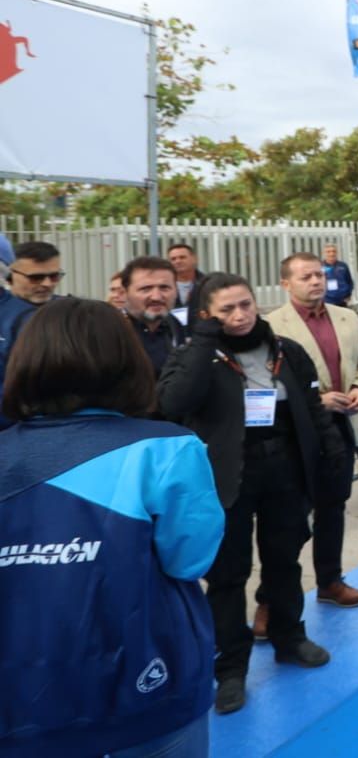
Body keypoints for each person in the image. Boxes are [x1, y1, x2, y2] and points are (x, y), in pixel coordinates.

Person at [0, 297, 222, 758]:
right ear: (127, 362)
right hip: (147, 683)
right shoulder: (167, 449)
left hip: (22, 694)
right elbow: (191, 559)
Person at [158, 273, 344, 715]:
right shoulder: (195, 356)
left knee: (284, 561)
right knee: (227, 575)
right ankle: (230, 666)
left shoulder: (286, 350)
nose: (240, 316)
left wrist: (331, 458)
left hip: (283, 471)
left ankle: (288, 636)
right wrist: (205, 339)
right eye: (226, 309)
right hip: (227, 477)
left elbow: (313, 408)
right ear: (206, 314)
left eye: (245, 304)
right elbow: (172, 402)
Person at [262, 252, 358, 623]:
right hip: (296, 433)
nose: (315, 282)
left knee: (333, 508)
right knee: (288, 518)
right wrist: (314, 399)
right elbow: (264, 380)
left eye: (318, 275)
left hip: (342, 427)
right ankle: (270, 597)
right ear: (286, 283)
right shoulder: (270, 326)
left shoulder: (345, 318)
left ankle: (330, 581)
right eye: (305, 277)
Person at [0, 240, 64, 414]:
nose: (47, 284)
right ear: (10, 275)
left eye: (55, 276)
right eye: (36, 277)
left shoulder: (71, 314)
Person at [122, 256, 189, 377]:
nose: (156, 297)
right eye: (146, 289)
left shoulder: (174, 325)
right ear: (125, 293)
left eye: (164, 288)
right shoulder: (110, 329)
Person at [165, 242, 206, 321]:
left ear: (195, 259)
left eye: (182, 257)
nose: (178, 261)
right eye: (173, 259)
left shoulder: (207, 283)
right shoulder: (162, 285)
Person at [319, 244, 356, 308]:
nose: (331, 254)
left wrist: (348, 294)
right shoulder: (320, 266)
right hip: (327, 301)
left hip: (342, 301)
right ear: (324, 253)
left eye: (334, 251)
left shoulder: (343, 265)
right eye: (328, 252)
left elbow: (349, 281)